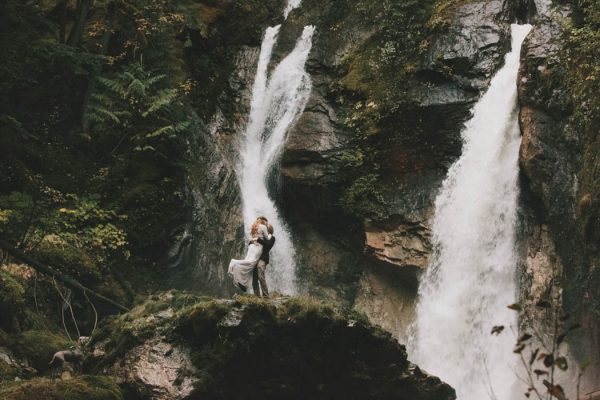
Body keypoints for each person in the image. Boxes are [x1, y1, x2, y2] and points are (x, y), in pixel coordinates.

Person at [228, 217, 269, 292]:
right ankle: (234, 263)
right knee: (251, 263)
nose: (267, 224)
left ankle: (242, 282)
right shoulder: (263, 226)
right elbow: (267, 237)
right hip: (258, 247)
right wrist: (270, 235)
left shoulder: (254, 226)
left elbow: (252, 239)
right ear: (263, 221)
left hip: (251, 247)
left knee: (248, 264)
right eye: (266, 222)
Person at [253, 223, 275, 298]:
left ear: (268, 230)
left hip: (263, 259)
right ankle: (257, 297)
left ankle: (266, 296)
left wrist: (258, 240)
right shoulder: (261, 237)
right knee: (254, 279)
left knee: (261, 276)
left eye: (265, 227)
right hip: (255, 258)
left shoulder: (272, 238)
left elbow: (268, 244)